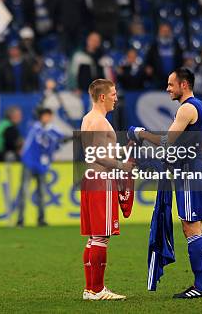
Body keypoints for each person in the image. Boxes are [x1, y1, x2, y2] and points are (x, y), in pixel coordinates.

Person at [128, 68, 202, 298]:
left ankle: (200, 286)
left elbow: (167, 141)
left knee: (190, 226)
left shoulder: (186, 109)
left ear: (184, 84)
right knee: (197, 225)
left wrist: (141, 134)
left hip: (188, 170)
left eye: (171, 84)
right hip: (199, 167)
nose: (167, 88)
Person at [80, 79, 128, 301]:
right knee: (101, 236)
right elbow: (97, 155)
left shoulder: (87, 119)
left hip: (90, 179)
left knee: (93, 237)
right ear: (102, 97)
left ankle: (90, 289)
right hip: (101, 180)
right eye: (113, 94)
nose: (115, 98)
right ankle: (97, 290)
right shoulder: (100, 121)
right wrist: (121, 166)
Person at [16, 108, 64, 227]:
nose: (47, 118)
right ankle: (20, 219)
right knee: (24, 191)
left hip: (42, 165)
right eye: (45, 116)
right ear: (41, 117)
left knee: (42, 192)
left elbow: (61, 141)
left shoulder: (54, 131)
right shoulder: (34, 127)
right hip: (29, 162)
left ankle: (41, 219)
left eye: (49, 116)